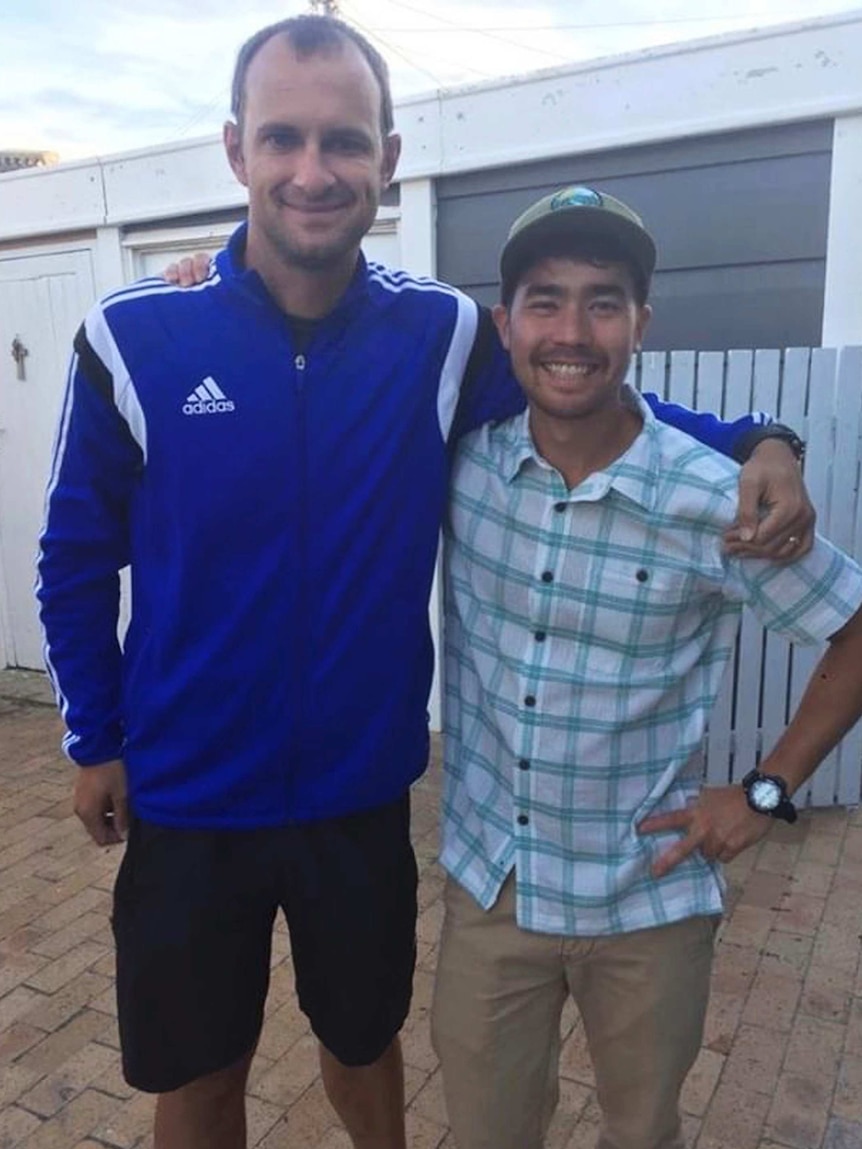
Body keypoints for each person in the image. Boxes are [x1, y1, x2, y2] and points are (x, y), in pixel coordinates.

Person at [36, 15, 812, 1149]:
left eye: (344, 142)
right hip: (188, 801)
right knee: (200, 1077)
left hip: (358, 803)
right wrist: (95, 739)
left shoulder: (438, 336)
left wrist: (763, 438)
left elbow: (593, 397)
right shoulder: (133, 337)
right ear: (235, 149)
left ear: (387, 159)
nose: (313, 170)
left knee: (362, 1051)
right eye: (284, 138)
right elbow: (72, 555)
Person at [431, 183, 862, 1149]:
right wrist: (213, 276)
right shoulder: (460, 467)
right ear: (506, 324)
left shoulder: (715, 500)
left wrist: (762, 792)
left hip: (647, 898)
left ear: (641, 323)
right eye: (545, 299)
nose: (571, 329)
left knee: (645, 1136)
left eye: (603, 300)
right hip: (492, 888)